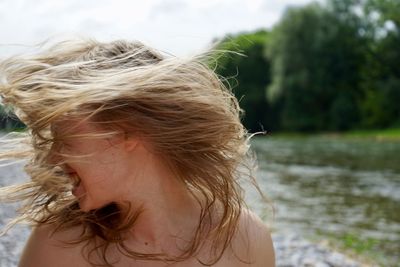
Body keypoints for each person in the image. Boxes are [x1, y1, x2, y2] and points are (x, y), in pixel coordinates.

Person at [0, 38, 275, 267]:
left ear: (127, 131)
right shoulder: (59, 245)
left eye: (64, 138)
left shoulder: (246, 239)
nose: (52, 158)